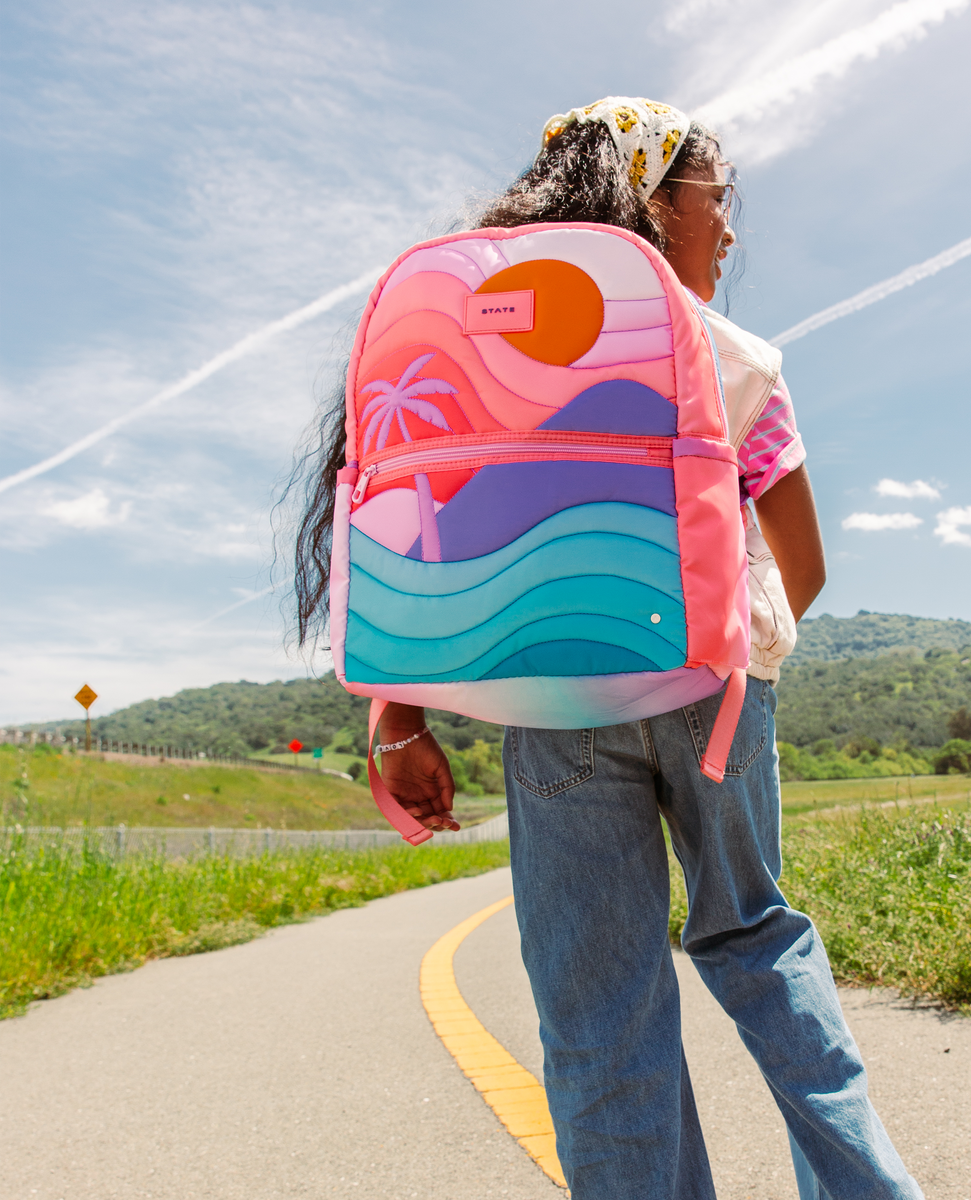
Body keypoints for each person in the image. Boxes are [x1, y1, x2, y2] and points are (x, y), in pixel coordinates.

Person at [292, 97, 922, 1200]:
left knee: (597, 1012)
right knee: (757, 941)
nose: (728, 231)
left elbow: (410, 542)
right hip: (711, 692)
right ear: (658, 197)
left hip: (549, 706)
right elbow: (804, 565)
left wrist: (400, 717)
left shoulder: (473, 347)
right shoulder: (721, 350)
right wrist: (734, 652)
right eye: (719, 201)